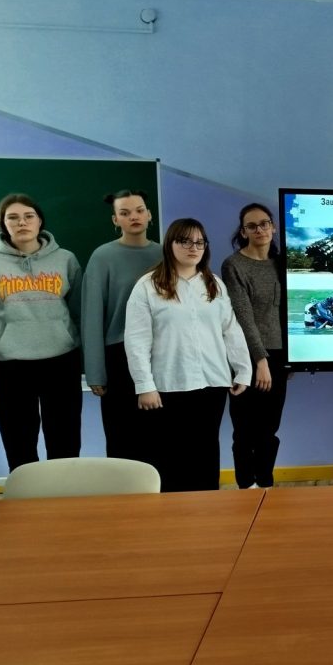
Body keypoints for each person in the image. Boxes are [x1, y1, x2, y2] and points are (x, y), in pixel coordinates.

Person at [124, 218, 251, 491]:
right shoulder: (148, 286)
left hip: (212, 383)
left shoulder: (214, 284)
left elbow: (231, 330)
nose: (193, 248)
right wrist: (144, 385)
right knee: (170, 458)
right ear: (170, 244)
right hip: (168, 385)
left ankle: (207, 510)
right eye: (185, 241)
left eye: (199, 242)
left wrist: (243, 369)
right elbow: (137, 341)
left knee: (206, 453)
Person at [0, 193, 83, 471]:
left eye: (28, 216)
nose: (22, 222)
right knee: (18, 444)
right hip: (11, 366)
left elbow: (78, 311)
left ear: (39, 221)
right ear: (3, 224)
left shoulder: (65, 259)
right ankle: (25, 498)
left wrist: (66, 338)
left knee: (65, 441)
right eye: (13, 218)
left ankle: (66, 495)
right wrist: (6, 342)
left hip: (61, 361)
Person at [81, 190, 162, 462]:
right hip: (118, 357)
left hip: (161, 355)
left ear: (149, 214)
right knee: (122, 438)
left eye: (139, 210)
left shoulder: (165, 254)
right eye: (125, 213)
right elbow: (92, 317)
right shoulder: (103, 256)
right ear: (115, 220)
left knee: (159, 438)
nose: (133, 217)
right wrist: (95, 372)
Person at [222, 203, 289, 489]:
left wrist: (290, 358)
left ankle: (265, 485)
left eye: (264, 224)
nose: (259, 230)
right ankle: (246, 488)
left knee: (269, 429)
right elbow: (243, 316)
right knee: (245, 430)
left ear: (273, 227)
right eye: (252, 226)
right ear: (243, 232)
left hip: (280, 355)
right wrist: (260, 361)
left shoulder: (282, 264)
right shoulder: (234, 265)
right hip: (246, 358)